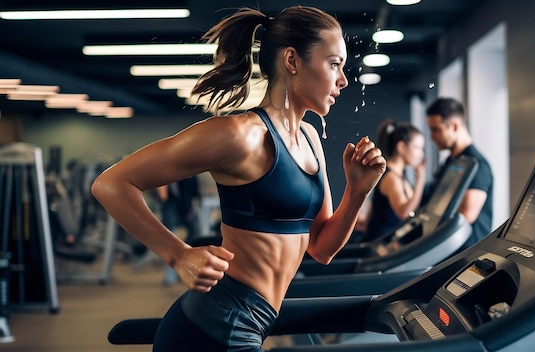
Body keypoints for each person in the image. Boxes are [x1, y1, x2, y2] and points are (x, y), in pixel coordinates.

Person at [90, 6, 385, 352]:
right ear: (292, 60)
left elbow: (321, 249)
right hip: (213, 327)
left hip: (253, 323)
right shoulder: (239, 136)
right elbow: (111, 184)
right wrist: (178, 255)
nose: (343, 80)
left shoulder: (310, 139)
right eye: (334, 63)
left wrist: (357, 191)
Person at [425, 97, 493, 249]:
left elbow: (465, 217)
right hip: (446, 251)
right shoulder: (451, 162)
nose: (431, 136)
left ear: (454, 126)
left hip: (466, 257)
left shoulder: (478, 165)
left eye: (436, 130)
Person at [363, 119, 426, 242]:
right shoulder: (391, 178)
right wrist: (421, 179)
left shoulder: (397, 175)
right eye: (417, 148)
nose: (421, 154)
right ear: (401, 147)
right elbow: (404, 213)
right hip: (380, 247)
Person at [158, 176, 201, 286]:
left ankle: (186, 271)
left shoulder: (191, 170)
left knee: (194, 236)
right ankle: (170, 276)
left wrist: (193, 207)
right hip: (171, 204)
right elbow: (162, 194)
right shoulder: (164, 169)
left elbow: (195, 191)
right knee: (171, 238)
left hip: (187, 204)